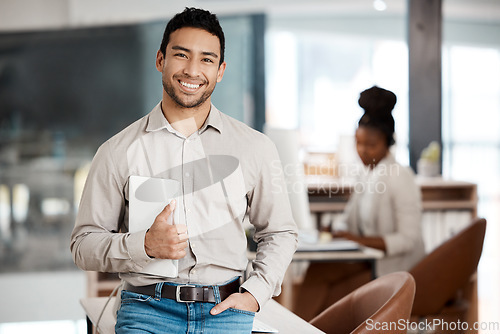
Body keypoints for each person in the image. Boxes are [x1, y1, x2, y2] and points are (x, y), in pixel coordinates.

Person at [70, 7, 298, 334]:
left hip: (226, 310)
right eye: (181, 55)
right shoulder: (116, 152)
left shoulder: (254, 148)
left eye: (206, 59)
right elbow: (83, 246)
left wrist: (255, 293)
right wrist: (143, 246)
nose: (192, 70)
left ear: (220, 70)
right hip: (148, 311)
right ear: (160, 60)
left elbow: (280, 232)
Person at [294, 86, 425, 321]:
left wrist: (356, 240)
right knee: (317, 270)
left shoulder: (400, 177)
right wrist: (334, 230)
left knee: (328, 290)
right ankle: (297, 328)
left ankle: (296, 328)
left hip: (391, 269)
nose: (363, 152)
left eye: (371, 145)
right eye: (358, 143)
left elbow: (408, 240)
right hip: (369, 260)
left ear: (388, 143)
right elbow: (349, 219)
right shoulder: (368, 175)